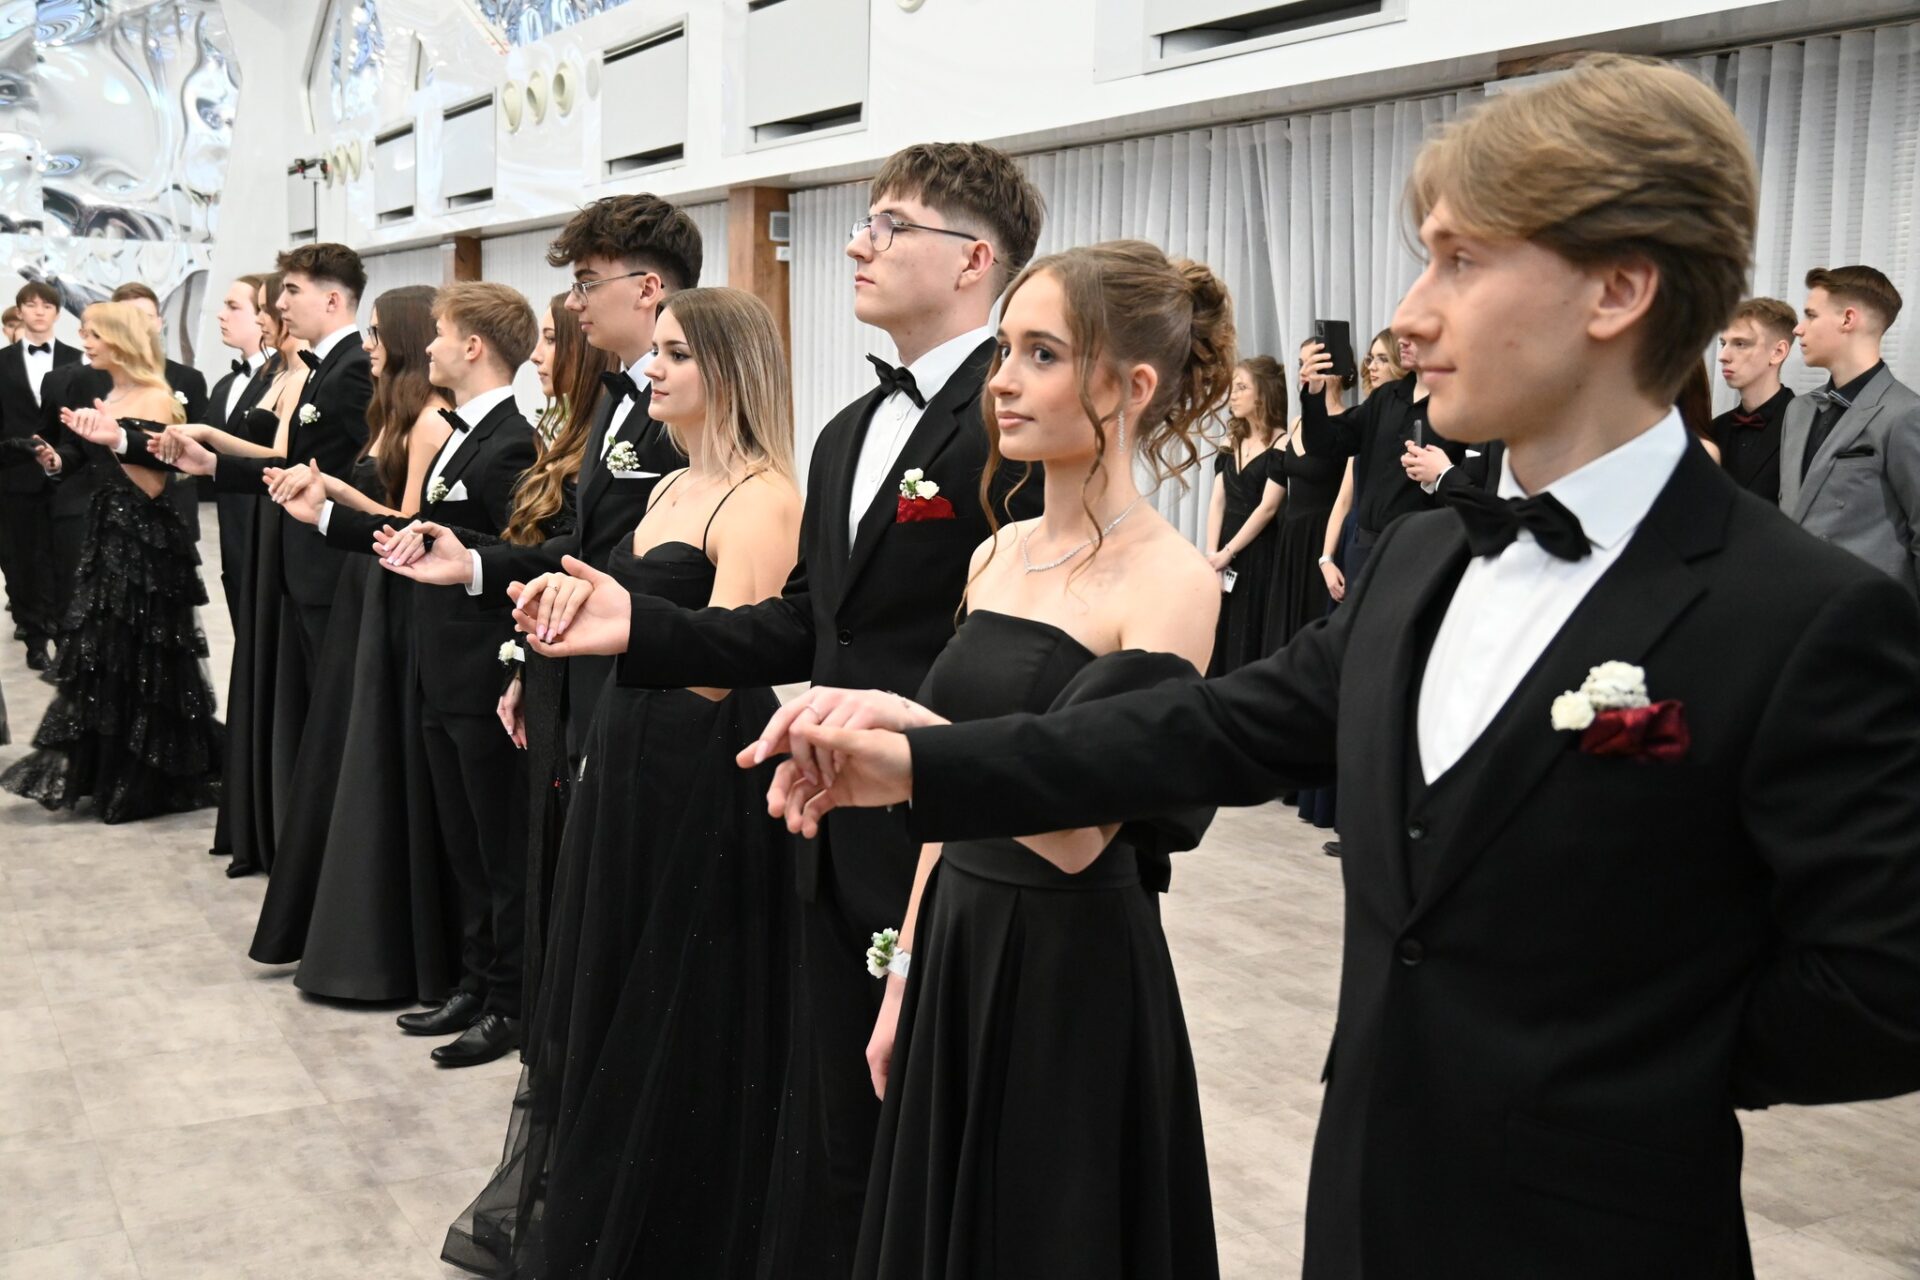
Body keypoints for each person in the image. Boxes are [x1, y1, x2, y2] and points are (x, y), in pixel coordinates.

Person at [746, 55, 1920, 1278]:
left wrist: (1617, 1060)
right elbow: (1205, 729)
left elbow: (1884, 985)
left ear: (1619, 289)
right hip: (1366, 1203)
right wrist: (922, 756)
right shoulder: (1422, 559)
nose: (1410, 314)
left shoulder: (1801, 613)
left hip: (1605, 1226)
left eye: (1460, 262)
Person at [505, 142, 1046, 1274]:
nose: (857, 242)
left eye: (890, 225)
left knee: (942, 1129)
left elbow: (1015, 648)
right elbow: (801, 627)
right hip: (827, 821)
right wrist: (637, 626)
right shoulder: (849, 433)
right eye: (866, 221)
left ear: (973, 260)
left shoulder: (1015, 423)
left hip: (947, 822)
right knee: (835, 1121)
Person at [752, 239, 1228, 1278]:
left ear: (1132, 387)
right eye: (1006, 349)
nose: (1003, 380)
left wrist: (914, 733)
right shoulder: (995, 552)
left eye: (1042, 354)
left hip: (1069, 964)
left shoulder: (1172, 580)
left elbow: (1077, 829)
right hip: (959, 937)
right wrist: (903, 971)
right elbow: (949, 807)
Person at [445, 285, 802, 1277]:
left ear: (728, 370)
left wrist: (616, 632)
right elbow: (618, 613)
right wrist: (550, 643)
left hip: (705, 764)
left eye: (676, 355)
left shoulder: (764, 496)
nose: (654, 371)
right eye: (659, 352)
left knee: (677, 992)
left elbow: (724, 659)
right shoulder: (670, 485)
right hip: (629, 746)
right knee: (607, 980)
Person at [374, 195, 701, 783]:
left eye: (586, 283)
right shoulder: (616, 401)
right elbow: (582, 545)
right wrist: (473, 564)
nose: (575, 302)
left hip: (650, 676)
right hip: (589, 667)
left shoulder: (685, 405)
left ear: (648, 288)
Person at [297, 282, 540, 1067]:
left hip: (480, 673)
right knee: (462, 841)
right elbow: (415, 534)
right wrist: (326, 514)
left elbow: (509, 559)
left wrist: (513, 668)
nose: (426, 346)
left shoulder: (512, 442)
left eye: (439, 333)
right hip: (438, 667)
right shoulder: (464, 434)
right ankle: (475, 979)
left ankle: (511, 1002)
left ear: (473, 346)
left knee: (499, 847)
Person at [246, 285, 458, 1003]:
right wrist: (334, 492)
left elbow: (413, 528)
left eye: (377, 335)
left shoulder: (428, 421)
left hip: (390, 595)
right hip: (363, 592)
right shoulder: (395, 416)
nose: (368, 346)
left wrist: (336, 500)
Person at [2, 302, 221, 821]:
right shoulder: (110, 394)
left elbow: (154, 482)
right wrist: (58, 457)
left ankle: (148, 775)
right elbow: (82, 459)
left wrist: (114, 437)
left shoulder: (157, 397)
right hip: (103, 532)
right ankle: (107, 767)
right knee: (103, 652)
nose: (85, 341)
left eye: (94, 334)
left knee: (143, 650)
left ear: (120, 340)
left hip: (144, 541)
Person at [489, 291, 611, 1020]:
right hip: (541, 653)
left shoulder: (601, 436)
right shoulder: (559, 431)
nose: (536, 357)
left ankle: (522, 1003)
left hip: (582, 661)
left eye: (551, 341)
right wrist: (520, 664)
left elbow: (575, 560)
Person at [1779, 266, 1920, 592]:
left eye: (1811, 315)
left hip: (1868, 611)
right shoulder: (1798, 410)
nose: (1798, 329)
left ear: (1847, 319)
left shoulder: (1906, 414)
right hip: (1794, 602)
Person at [0, 281, 79, 672]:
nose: (38, 311)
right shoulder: (2, 362)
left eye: (46, 305)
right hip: (13, 476)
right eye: (30, 305)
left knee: (66, 560)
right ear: (19, 312)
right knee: (22, 560)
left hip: (67, 476)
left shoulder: (78, 360)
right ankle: (34, 638)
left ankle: (65, 636)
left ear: (57, 312)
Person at [109, 282, 208, 541]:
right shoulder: (96, 377)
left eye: (146, 317)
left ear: (159, 322)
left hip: (173, 509)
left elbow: (204, 443)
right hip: (110, 510)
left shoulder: (188, 378)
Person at [1204, 356, 1284, 674]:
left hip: (1258, 550)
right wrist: (1212, 554)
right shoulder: (1231, 439)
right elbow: (1217, 501)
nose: (1232, 396)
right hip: (1223, 548)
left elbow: (1268, 508)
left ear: (1262, 393)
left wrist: (1228, 552)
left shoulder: (1281, 442)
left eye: (1241, 388)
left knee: (1248, 627)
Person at [202, 273, 273, 620]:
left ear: (265, 315)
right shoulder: (224, 385)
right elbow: (200, 447)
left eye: (233, 306)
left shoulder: (286, 379)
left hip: (268, 539)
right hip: (232, 538)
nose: (221, 314)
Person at [1708, 297, 1796, 501]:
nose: (1723, 356)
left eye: (1740, 344)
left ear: (1778, 352)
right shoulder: (1715, 428)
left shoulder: (1807, 426)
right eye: (1723, 343)